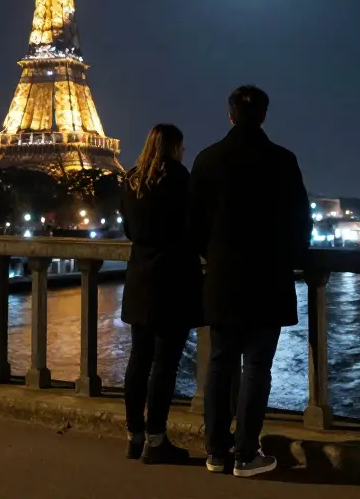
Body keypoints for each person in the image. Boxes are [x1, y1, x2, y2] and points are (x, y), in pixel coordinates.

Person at [189, 85, 310, 478]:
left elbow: (194, 224)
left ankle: (215, 451)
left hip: (223, 278)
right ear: (263, 116)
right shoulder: (283, 160)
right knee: (257, 366)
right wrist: (288, 259)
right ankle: (245, 453)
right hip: (267, 278)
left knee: (219, 365)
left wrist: (214, 255)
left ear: (229, 116)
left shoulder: (207, 160)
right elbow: (299, 222)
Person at [119, 123, 204, 464]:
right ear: (175, 148)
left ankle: (133, 435)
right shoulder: (180, 179)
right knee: (165, 366)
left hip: (140, 278)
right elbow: (194, 227)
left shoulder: (131, 179)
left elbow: (129, 228)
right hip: (173, 281)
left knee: (138, 360)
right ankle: (156, 440)